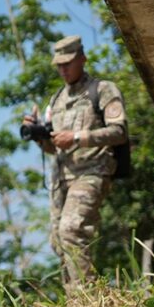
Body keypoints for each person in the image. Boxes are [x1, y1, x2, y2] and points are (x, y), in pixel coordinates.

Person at [22, 35, 127, 287]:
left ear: (82, 58)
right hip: (61, 178)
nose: (63, 69)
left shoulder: (102, 90)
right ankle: (75, 302)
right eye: (59, 65)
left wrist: (78, 137)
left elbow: (120, 132)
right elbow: (53, 148)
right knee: (58, 240)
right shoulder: (57, 100)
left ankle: (89, 300)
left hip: (92, 171)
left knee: (72, 230)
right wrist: (38, 134)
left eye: (68, 63)